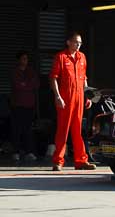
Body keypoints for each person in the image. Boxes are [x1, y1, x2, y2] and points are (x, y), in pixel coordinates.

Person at [49, 32, 96, 171]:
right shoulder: (61, 57)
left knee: (78, 130)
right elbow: (53, 78)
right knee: (63, 130)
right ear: (68, 42)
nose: (78, 45)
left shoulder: (82, 57)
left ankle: (81, 160)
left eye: (80, 42)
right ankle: (58, 161)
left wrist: (88, 96)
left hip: (79, 97)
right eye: (76, 42)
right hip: (66, 98)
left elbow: (84, 78)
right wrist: (58, 97)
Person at [10, 51, 39, 161]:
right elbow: (18, 85)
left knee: (28, 129)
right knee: (17, 129)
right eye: (23, 59)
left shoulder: (30, 71)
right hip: (17, 104)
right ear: (18, 60)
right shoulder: (14, 71)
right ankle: (16, 151)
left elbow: (36, 84)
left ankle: (29, 151)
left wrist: (25, 84)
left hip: (29, 104)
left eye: (26, 59)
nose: (25, 61)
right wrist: (28, 85)